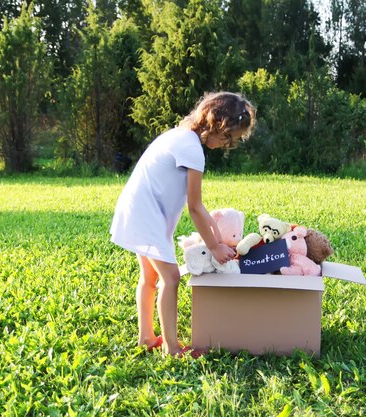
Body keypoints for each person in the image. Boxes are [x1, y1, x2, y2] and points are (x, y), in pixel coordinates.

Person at [110, 92, 257, 356]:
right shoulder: (191, 149)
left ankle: (146, 337)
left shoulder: (180, 136)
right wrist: (214, 247)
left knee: (150, 278)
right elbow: (195, 206)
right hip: (146, 215)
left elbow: (201, 209)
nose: (227, 145)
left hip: (138, 210)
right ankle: (172, 348)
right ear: (216, 124)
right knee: (171, 277)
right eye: (227, 137)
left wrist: (216, 234)